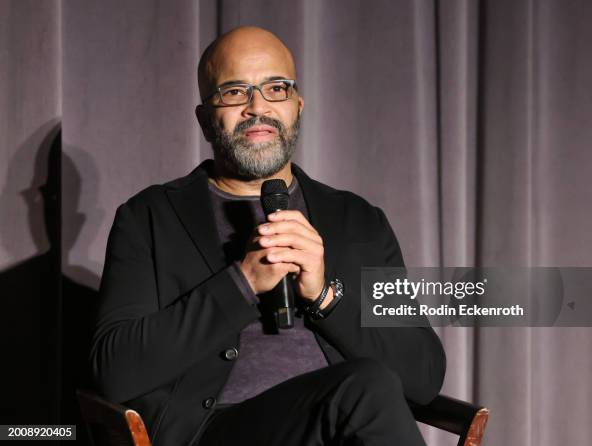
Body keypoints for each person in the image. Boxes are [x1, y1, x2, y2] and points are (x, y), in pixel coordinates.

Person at [91, 26, 446, 446]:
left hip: (347, 427)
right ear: (205, 120)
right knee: (364, 387)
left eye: (276, 88)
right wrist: (242, 284)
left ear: (297, 107)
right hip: (217, 433)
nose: (257, 107)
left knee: (365, 389)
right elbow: (113, 370)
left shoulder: (359, 221)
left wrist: (324, 297)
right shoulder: (150, 217)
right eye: (235, 92)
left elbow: (422, 375)